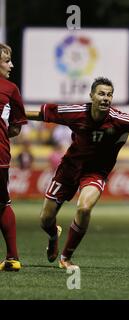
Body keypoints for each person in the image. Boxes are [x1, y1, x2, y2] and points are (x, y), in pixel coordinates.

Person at [26, 77, 129, 269]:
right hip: (69, 169)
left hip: (95, 172)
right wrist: (9, 114)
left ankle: (66, 257)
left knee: (84, 208)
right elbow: (41, 114)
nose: (105, 98)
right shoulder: (76, 112)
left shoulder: (119, 119)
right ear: (91, 95)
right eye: (101, 93)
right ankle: (53, 236)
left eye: (109, 95)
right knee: (45, 220)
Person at [0, 43, 27, 271]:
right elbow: (16, 128)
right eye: (7, 61)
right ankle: (12, 257)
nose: (11, 65)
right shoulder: (10, 89)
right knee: (2, 204)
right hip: (0, 155)